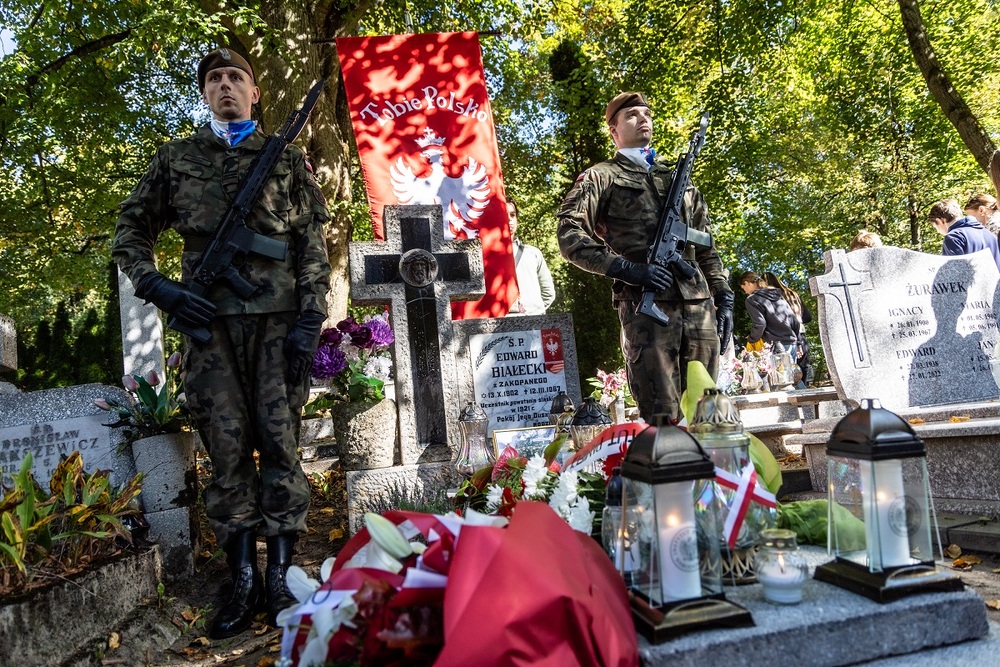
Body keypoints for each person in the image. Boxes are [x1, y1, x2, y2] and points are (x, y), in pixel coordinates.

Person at [113, 47, 332, 638]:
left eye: (237, 77)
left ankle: (283, 571)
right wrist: (159, 287)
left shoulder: (286, 160)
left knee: (281, 445)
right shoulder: (177, 158)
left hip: (279, 325)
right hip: (208, 328)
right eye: (214, 79)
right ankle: (242, 576)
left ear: (255, 92)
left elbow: (313, 243)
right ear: (204, 94)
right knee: (226, 450)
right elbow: (130, 230)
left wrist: (313, 318)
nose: (226, 85)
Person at [557, 92, 734, 422]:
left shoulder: (678, 180)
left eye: (646, 113)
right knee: (662, 415)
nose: (643, 119)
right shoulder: (602, 176)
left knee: (710, 415)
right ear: (614, 131)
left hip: (698, 308)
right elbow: (570, 235)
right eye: (631, 116)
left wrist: (724, 297)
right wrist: (628, 270)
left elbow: (707, 247)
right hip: (647, 311)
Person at [762, 272, 811, 388]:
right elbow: (808, 317)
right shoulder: (792, 294)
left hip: (786, 337)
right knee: (800, 372)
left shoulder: (775, 296)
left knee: (786, 375)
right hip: (802, 336)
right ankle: (806, 400)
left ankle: (798, 399)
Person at [506, 200, 556, 315]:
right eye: (504, 215)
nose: (509, 219)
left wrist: (534, 311)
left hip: (533, 323)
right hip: (500, 326)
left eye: (512, 215)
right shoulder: (488, 257)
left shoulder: (533, 253)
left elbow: (548, 292)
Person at [739, 271, 801, 361]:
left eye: (743, 288)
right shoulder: (778, 295)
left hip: (775, 347)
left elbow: (760, 324)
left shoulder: (752, 299)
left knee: (776, 375)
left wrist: (751, 339)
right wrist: (798, 342)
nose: (745, 292)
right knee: (791, 374)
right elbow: (794, 320)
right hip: (791, 344)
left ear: (747, 283)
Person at [928, 198, 1000, 272]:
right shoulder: (989, 234)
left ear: (941, 220)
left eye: (935, 227)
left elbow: (953, 275)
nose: (937, 231)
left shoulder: (953, 238)